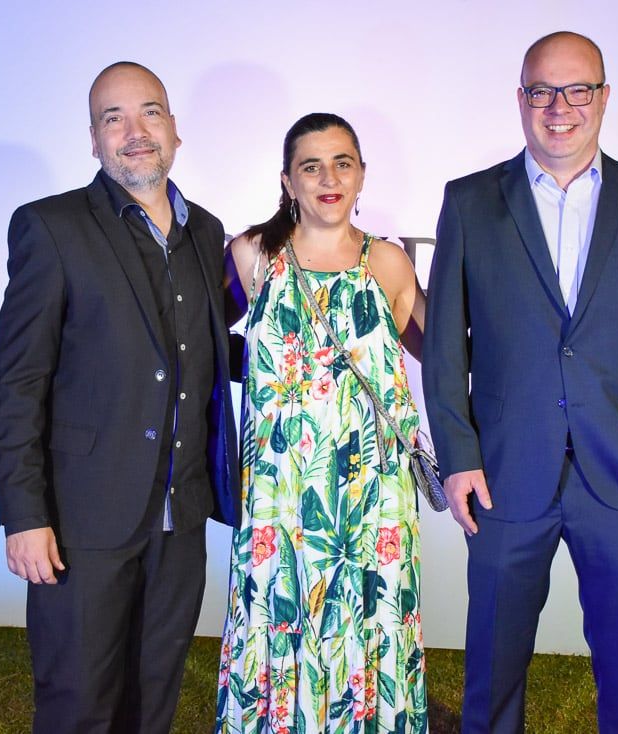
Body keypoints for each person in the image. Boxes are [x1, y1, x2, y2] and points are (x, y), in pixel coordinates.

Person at [423, 32, 618, 734]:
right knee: (492, 674)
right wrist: (458, 457)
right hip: (502, 477)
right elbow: (444, 348)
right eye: (542, 91)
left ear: (604, 97)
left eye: (578, 89)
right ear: (521, 99)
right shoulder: (469, 202)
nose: (560, 107)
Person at [0, 61, 239, 733]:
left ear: (174, 129)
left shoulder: (206, 231)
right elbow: (17, 381)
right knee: (78, 706)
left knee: (153, 703)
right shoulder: (51, 227)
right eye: (113, 118)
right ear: (94, 139)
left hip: (181, 518)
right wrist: (24, 515)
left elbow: (194, 353)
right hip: (83, 521)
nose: (135, 132)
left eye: (149, 112)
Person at [216, 113, 429, 732]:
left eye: (342, 163)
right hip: (280, 492)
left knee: (371, 620)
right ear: (288, 180)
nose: (329, 179)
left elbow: (441, 355)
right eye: (311, 166)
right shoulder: (254, 257)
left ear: (361, 175)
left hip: (372, 494)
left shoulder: (387, 262)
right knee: (278, 613)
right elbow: (196, 344)